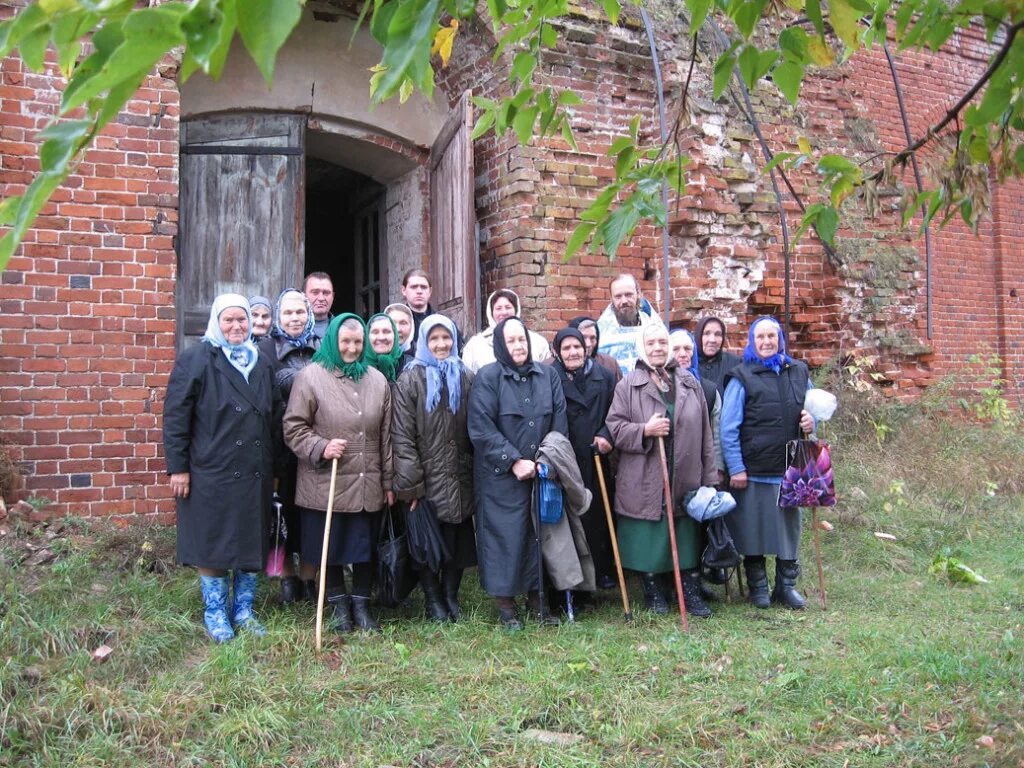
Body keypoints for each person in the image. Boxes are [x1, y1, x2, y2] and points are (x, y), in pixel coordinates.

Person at [163, 294, 279, 642]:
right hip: (211, 470)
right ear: (216, 321)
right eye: (228, 320)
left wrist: (275, 468)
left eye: (242, 320)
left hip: (254, 469)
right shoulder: (197, 359)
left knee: (250, 541)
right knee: (213, 542)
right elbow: (175, 417)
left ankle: (243, 610)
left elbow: (273, 417)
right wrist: (178, 468)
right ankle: (215, 613)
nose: (236, 326)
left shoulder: (260, 362)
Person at [284, 314, 396, 633]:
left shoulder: (377, 380)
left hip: (367, 480)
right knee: (328, 546)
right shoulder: (310, 377)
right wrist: (320, 446)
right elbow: (293, 427)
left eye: (358, 342)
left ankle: (361, 606)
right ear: (333, 341)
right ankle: (338, 607)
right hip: (325, 480)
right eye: (345, 342)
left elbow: (385, 437)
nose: (351, 348)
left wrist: (388, 482)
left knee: (362, 546)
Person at [605, 323, 718, 618]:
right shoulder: (629, 384)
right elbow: (615, 428)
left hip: (685, 474)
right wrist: (645, 429)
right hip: (645, 476)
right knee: (649, 538)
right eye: (651, 342)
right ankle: (654, 591)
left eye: (661, 342)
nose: (657, 347)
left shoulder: (690, 383)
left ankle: (689, 592)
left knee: (685, 536)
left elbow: (706, 434)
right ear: (642, 347)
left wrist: (710, 480)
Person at [468, 317, 567, 629]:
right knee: (505, 538)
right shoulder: (488, 377)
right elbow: (481, 427)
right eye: (511, 340)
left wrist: (548, 458)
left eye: (521, 339)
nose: (518, 345)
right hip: (500, 476)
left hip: (540, 471)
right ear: (500, 344)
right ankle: (506, 605)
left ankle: (539, 600)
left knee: (539, 536)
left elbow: (559, 421)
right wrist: (512, 460)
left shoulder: (548, 376)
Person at [721, 316, 815, 610]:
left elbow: (813, 414)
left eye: (771, 336)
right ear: (752, 340)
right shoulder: (741, 376)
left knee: (788, 530)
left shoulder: (799, 372)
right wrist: (736, 466)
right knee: (753, 530)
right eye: (760, 337)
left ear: (780, 339)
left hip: (792, 467)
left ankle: (785, 587)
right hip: (753, 468)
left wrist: (813, 422)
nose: (766, 342)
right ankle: (758, 587)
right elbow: (728, 427)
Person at [392, 314, 477, 622]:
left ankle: (451, 594)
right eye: (434, 339)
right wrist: (411, 482)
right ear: (424, 343)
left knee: (457, 541)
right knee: (426, 544)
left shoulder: (466, 377)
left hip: (460, 473)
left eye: (447, 338)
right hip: (425, 476)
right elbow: (401, 435)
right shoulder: (410, 379)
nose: (441, 344)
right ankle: (433, 599)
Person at [257, 289, 321, 603]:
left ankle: (309, 579)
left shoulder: (321, 347)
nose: (294, 318)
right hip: (279, 446)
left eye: (300, 312)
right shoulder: (266, 348)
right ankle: (286, 578)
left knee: (311, 515)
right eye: (288, 313)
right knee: (279, 516)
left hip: (313, 446)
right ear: (279, 317)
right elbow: (272, 386)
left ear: (308, 315)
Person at [548, 327, 618, 593]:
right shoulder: (550, 377)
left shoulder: (604, 376)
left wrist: (606, 433)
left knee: (599, 514)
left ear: (585, 348)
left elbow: (616, 410)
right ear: (557, 351)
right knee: (573, 517)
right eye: (566, 348)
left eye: (576, 346)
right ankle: (574, 579)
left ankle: (603, 571)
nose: (573, 352)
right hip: (568, 457)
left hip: (597, 455)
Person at [462, 289, 551, 373]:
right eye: (498, 308)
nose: (504, 312)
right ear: (491, 312)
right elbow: (468, 379)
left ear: (516, 310)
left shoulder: (537, 341)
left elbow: (546, 375)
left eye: (508, 307)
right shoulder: (475, 344)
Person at [597, 274, 663, 375]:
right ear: (611, 298)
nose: (624, 301)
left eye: (628, 295)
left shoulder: (653, 325)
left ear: (638, 294)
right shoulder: (602, 332)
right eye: (618, 296)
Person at [695, 315, 742, 395]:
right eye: (706, 333)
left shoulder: (735, 363)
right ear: (698, 336)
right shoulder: (689, 364)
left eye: (717, 334)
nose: (712, 340)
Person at [569, 316, 622, 383]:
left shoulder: (609, 364)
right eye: (583, 337)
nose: (588, 344)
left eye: (592, 338)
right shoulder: (556, 366)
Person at [365, 312, 409, 383]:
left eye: (386, 332)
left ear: (395, 336)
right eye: (375, 332)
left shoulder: (410, 366)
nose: (381, 337)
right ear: (367, 336)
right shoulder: (358, 370)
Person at [400, 269, 434, 339]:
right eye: (414, 287)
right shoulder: (394, 323)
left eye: (423, 287)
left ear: (430, 291)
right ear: (403, 290)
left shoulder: (443, 321)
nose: (419, 291)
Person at [303, 271, 335, 339]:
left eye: (326, 293)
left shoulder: (342, 327)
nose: (321, 298)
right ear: (303, 296)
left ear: (333, 296)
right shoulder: (292, 328)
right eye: (315, 292)